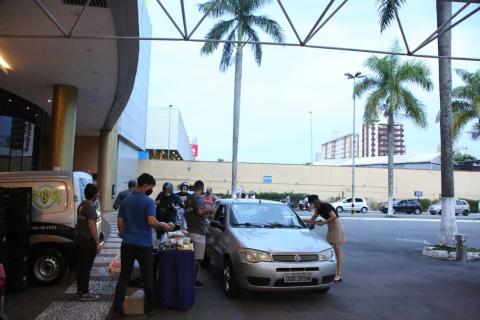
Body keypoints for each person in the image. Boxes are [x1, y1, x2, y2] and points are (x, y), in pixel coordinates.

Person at [112, 173, 174, 316]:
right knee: (148, 276)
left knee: (124, 277)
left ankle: (117, 308)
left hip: (127, 243)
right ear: (146, 185)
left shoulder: (126, 201)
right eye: (151, 187)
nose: (150, 190)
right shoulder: (148, 202)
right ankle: (151, 308)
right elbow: (151, 221)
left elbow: (120, 222)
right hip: (144, 245)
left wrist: (123, 235)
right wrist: (163, 226)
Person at [308, 194, 346, 282]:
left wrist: (323, 222)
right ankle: (334, 272)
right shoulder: (318, 208)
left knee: (337, 250)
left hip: (336, 226)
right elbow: (312, 219)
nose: (310, 205)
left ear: (314, 202)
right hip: (331, 227)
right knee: (330, 250)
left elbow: (334, 216)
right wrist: (299, 220)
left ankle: (339, 274)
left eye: (310, 203)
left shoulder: (324, 206)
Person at [185, 180, 214, 288]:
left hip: (190, 230)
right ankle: (193, 281)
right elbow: (200, 212)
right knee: (197, 258)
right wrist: (210, 210)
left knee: (192, 257)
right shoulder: (197, 198)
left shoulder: (188, 199)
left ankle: (189, 279)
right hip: (198, 232)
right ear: (202, 188)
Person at [75, 183, 101, 301]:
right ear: (95, 194)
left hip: (80, 239)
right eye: (97, 193)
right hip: (87, 240)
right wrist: (97, 243)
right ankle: (85, 293)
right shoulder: (90, 207)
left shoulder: (81, 205)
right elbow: (92, 226)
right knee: (86, 267)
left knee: (81, 266)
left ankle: (80, 290)